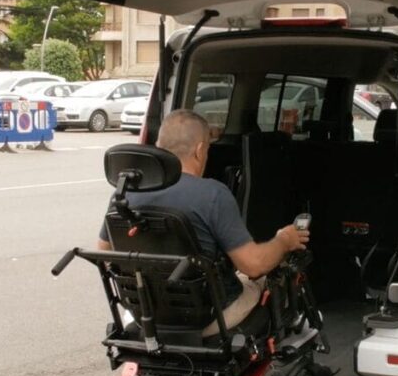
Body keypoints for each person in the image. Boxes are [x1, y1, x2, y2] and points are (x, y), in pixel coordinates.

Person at [97, 109, 309, 336]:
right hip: (209, 318)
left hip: (146, 316)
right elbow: (253, 265)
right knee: (269, 280)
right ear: (200, 151)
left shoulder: (126, 193)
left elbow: (106, 252)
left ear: (158, 146)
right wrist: (284, 240)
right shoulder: (212, 194)